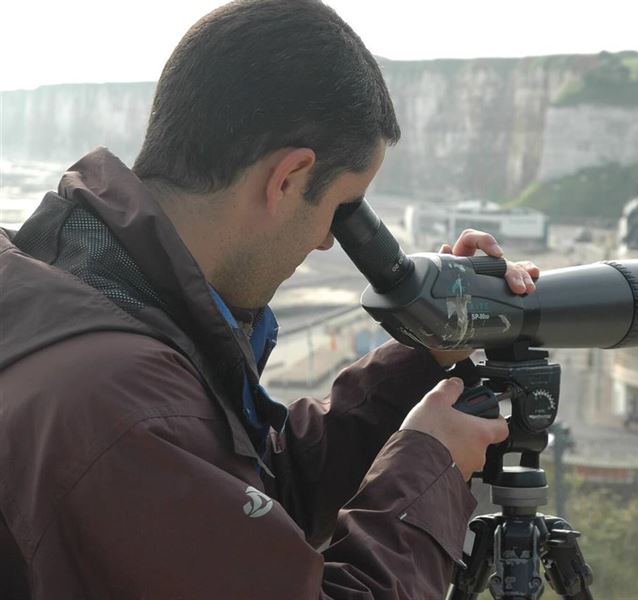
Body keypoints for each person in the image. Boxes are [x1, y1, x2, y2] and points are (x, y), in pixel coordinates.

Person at [0, 1, 540, 597]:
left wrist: (425, 355)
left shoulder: (71, 283)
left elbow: (234, 501)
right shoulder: (125, 411)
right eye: (340, 209)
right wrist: (431, 465)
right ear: (286, 178)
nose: (330, 240)